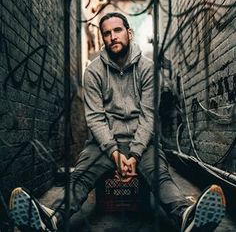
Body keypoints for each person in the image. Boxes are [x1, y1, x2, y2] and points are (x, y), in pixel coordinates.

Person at [9, 12, 226, 232]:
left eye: (117, 30)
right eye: (107, 33)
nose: (113, 37)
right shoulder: (93, 72)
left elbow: (148, 115)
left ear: (129, 33)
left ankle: (187, 217)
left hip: (143, 142)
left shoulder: (148, 70)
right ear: (103, 38)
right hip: (103, 144)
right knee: (80, 177)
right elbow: (95, 117)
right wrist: (114, 152)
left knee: (160, 177)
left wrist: (134, 155)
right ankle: (50, 220)